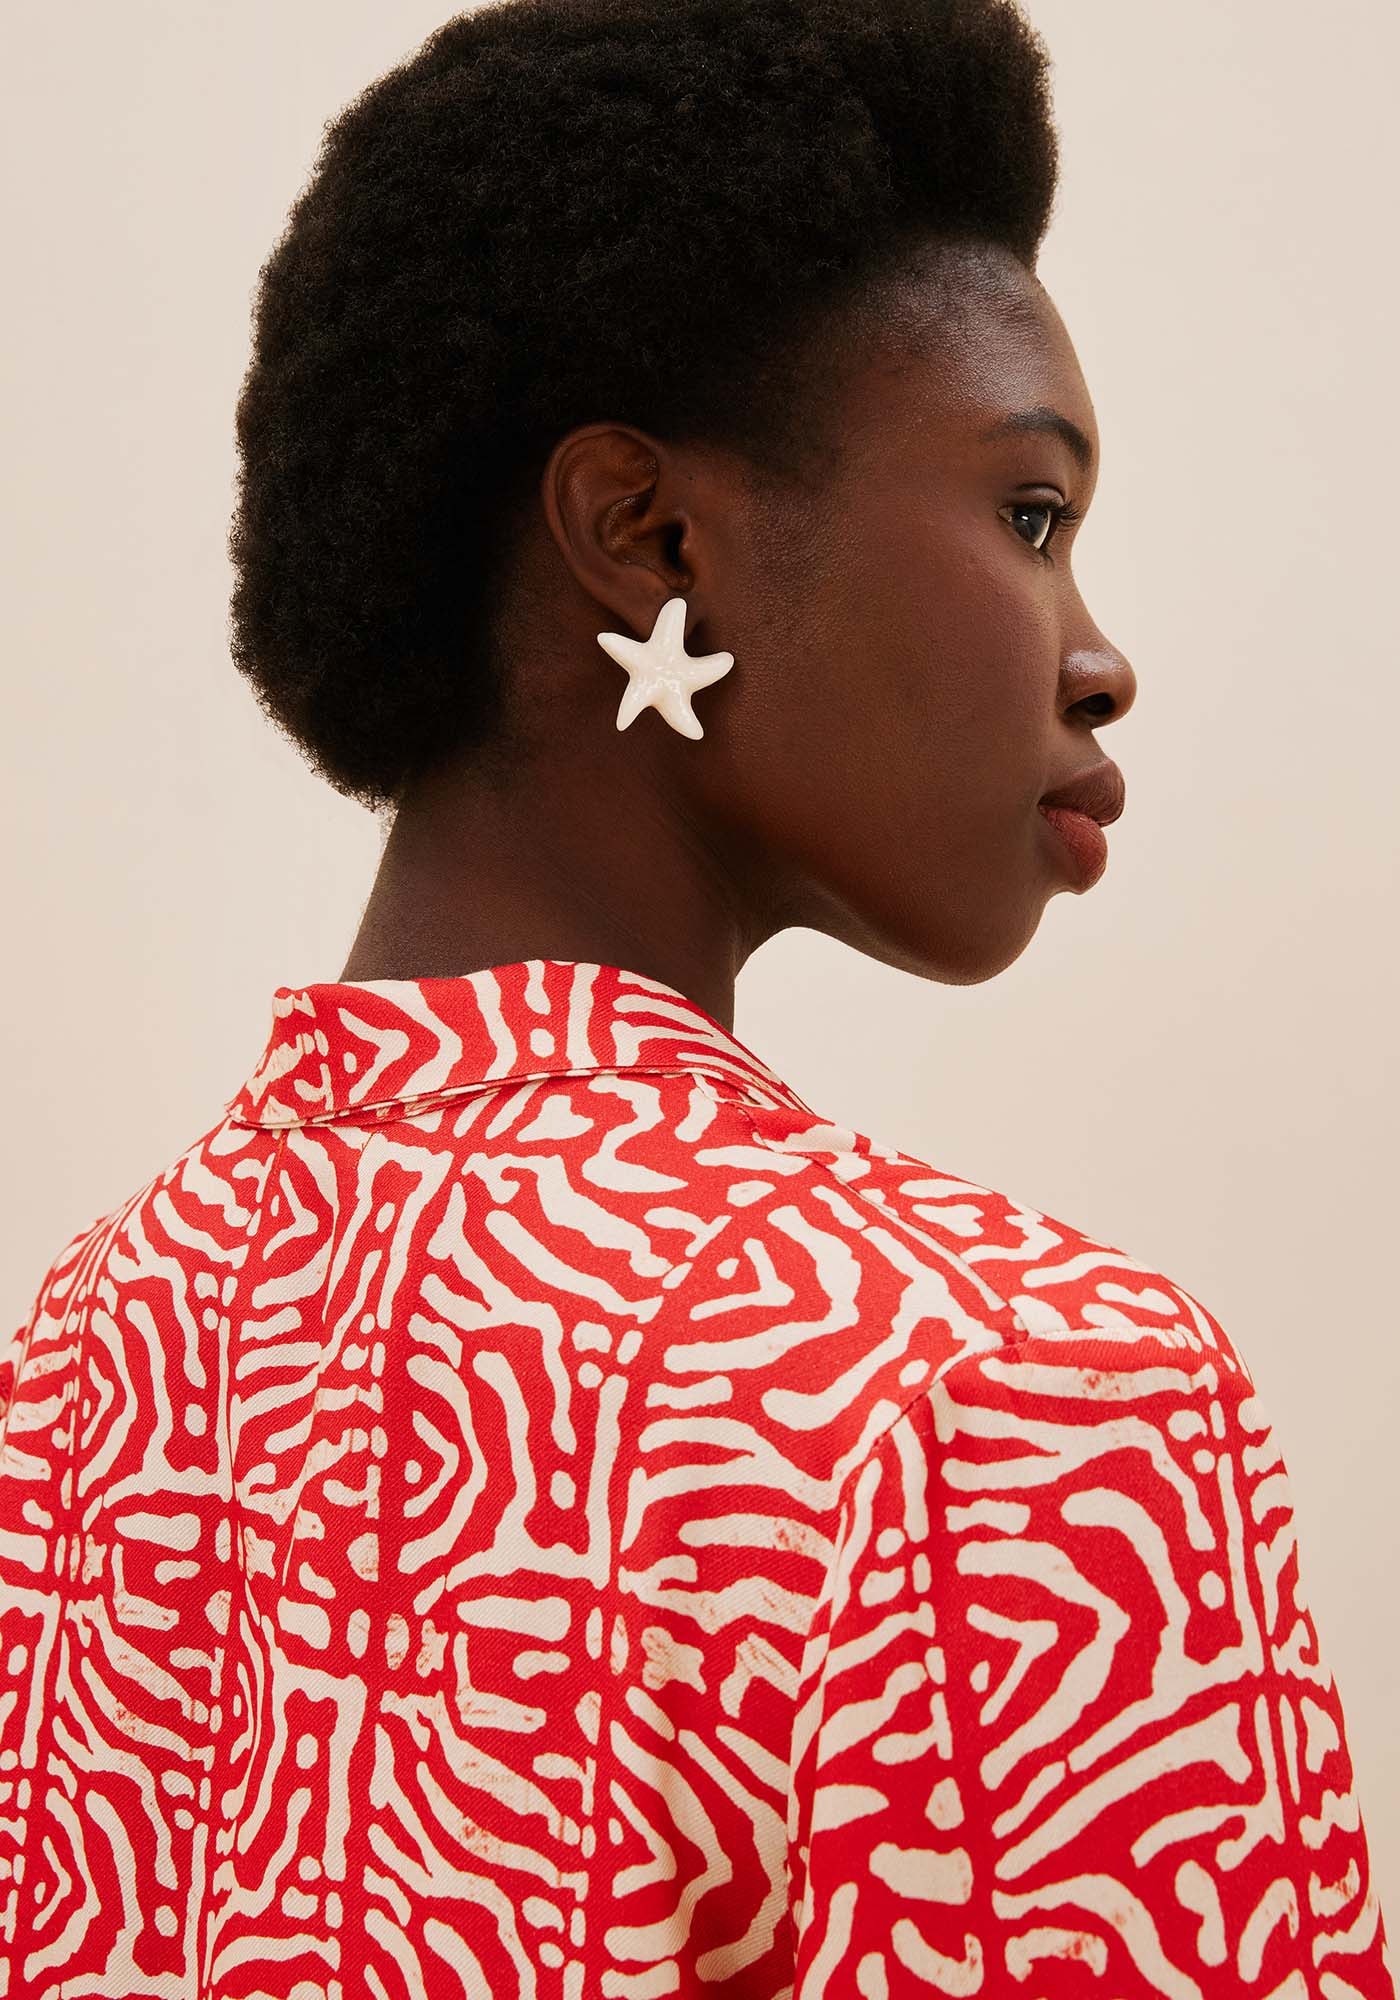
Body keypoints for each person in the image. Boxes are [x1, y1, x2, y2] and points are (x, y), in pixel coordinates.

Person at [1, 0, 1391, 1992]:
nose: (1097, 660)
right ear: (651, 542)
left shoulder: (77, 1370)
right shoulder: (1015, 1398)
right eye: (1029, 515)